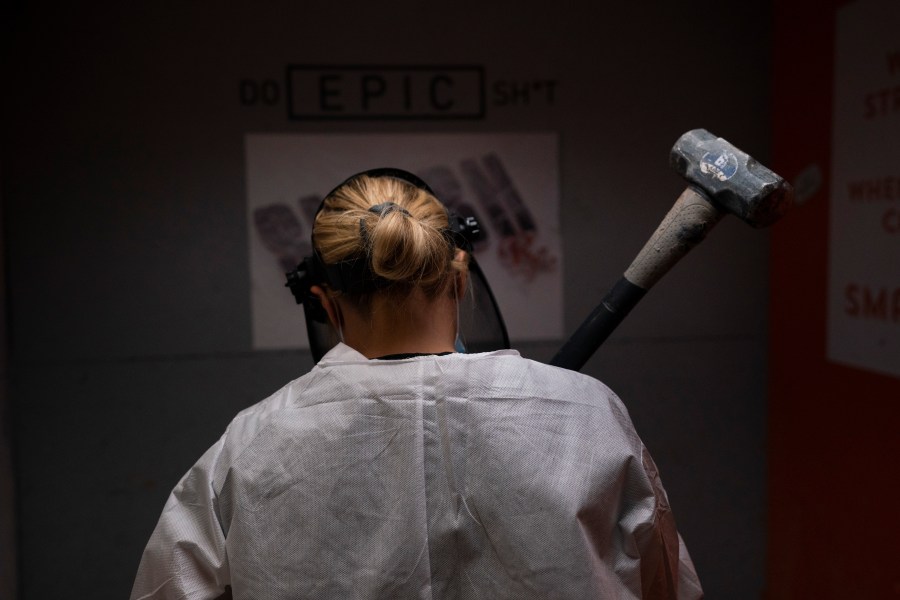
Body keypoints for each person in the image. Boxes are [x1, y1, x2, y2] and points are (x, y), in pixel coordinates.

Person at [130, 169, 703, 599]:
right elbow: (666, 584)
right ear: (458, 279)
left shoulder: (251, 442)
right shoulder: (585, 412)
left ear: (326, 304)